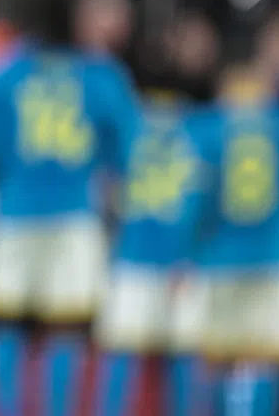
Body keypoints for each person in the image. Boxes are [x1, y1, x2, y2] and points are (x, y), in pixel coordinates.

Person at [0, 0, 138, 416]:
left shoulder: (5, 70)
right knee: (66, 331)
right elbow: (128, 155)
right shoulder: (102, 74)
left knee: (6, 327)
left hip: (13, 216)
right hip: (75, 218)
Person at [184, 57, 279, 416]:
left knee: (217, 359)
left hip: (218, 258)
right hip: (273, 257)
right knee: (265, 360)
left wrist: (190, 250)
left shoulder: (203, 128)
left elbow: (194, 201)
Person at [94, 82, 212, 416]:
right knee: (183, 358)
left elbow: (105, 186)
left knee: (122, 354)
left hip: (133, 257)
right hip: (185, 261)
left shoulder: (128, 127)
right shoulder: (200, 131)